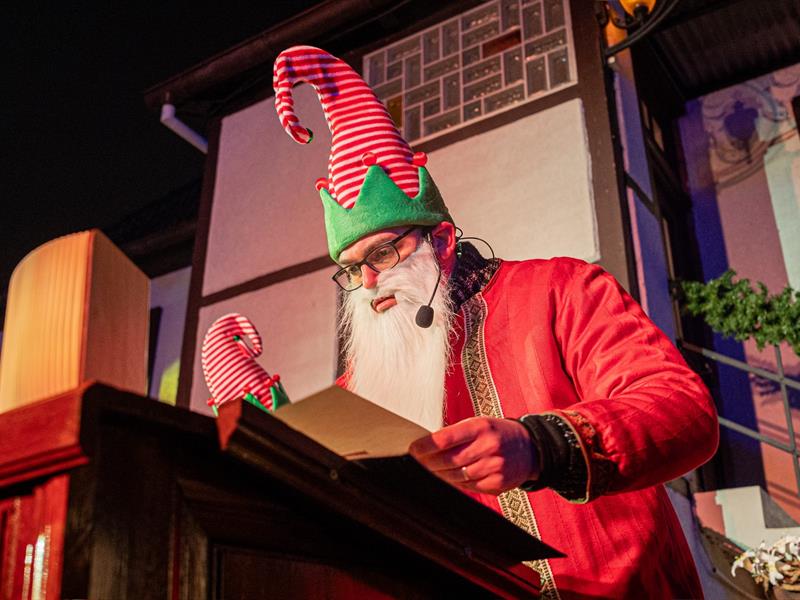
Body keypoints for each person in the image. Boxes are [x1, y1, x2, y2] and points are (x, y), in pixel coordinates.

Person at [274, 45, 719, 599]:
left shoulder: (560, 289)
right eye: (352, 269)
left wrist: (542, 445)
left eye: (382, 255)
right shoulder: (358, 389)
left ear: (440, 240)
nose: (368, 285)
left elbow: (682, 412)